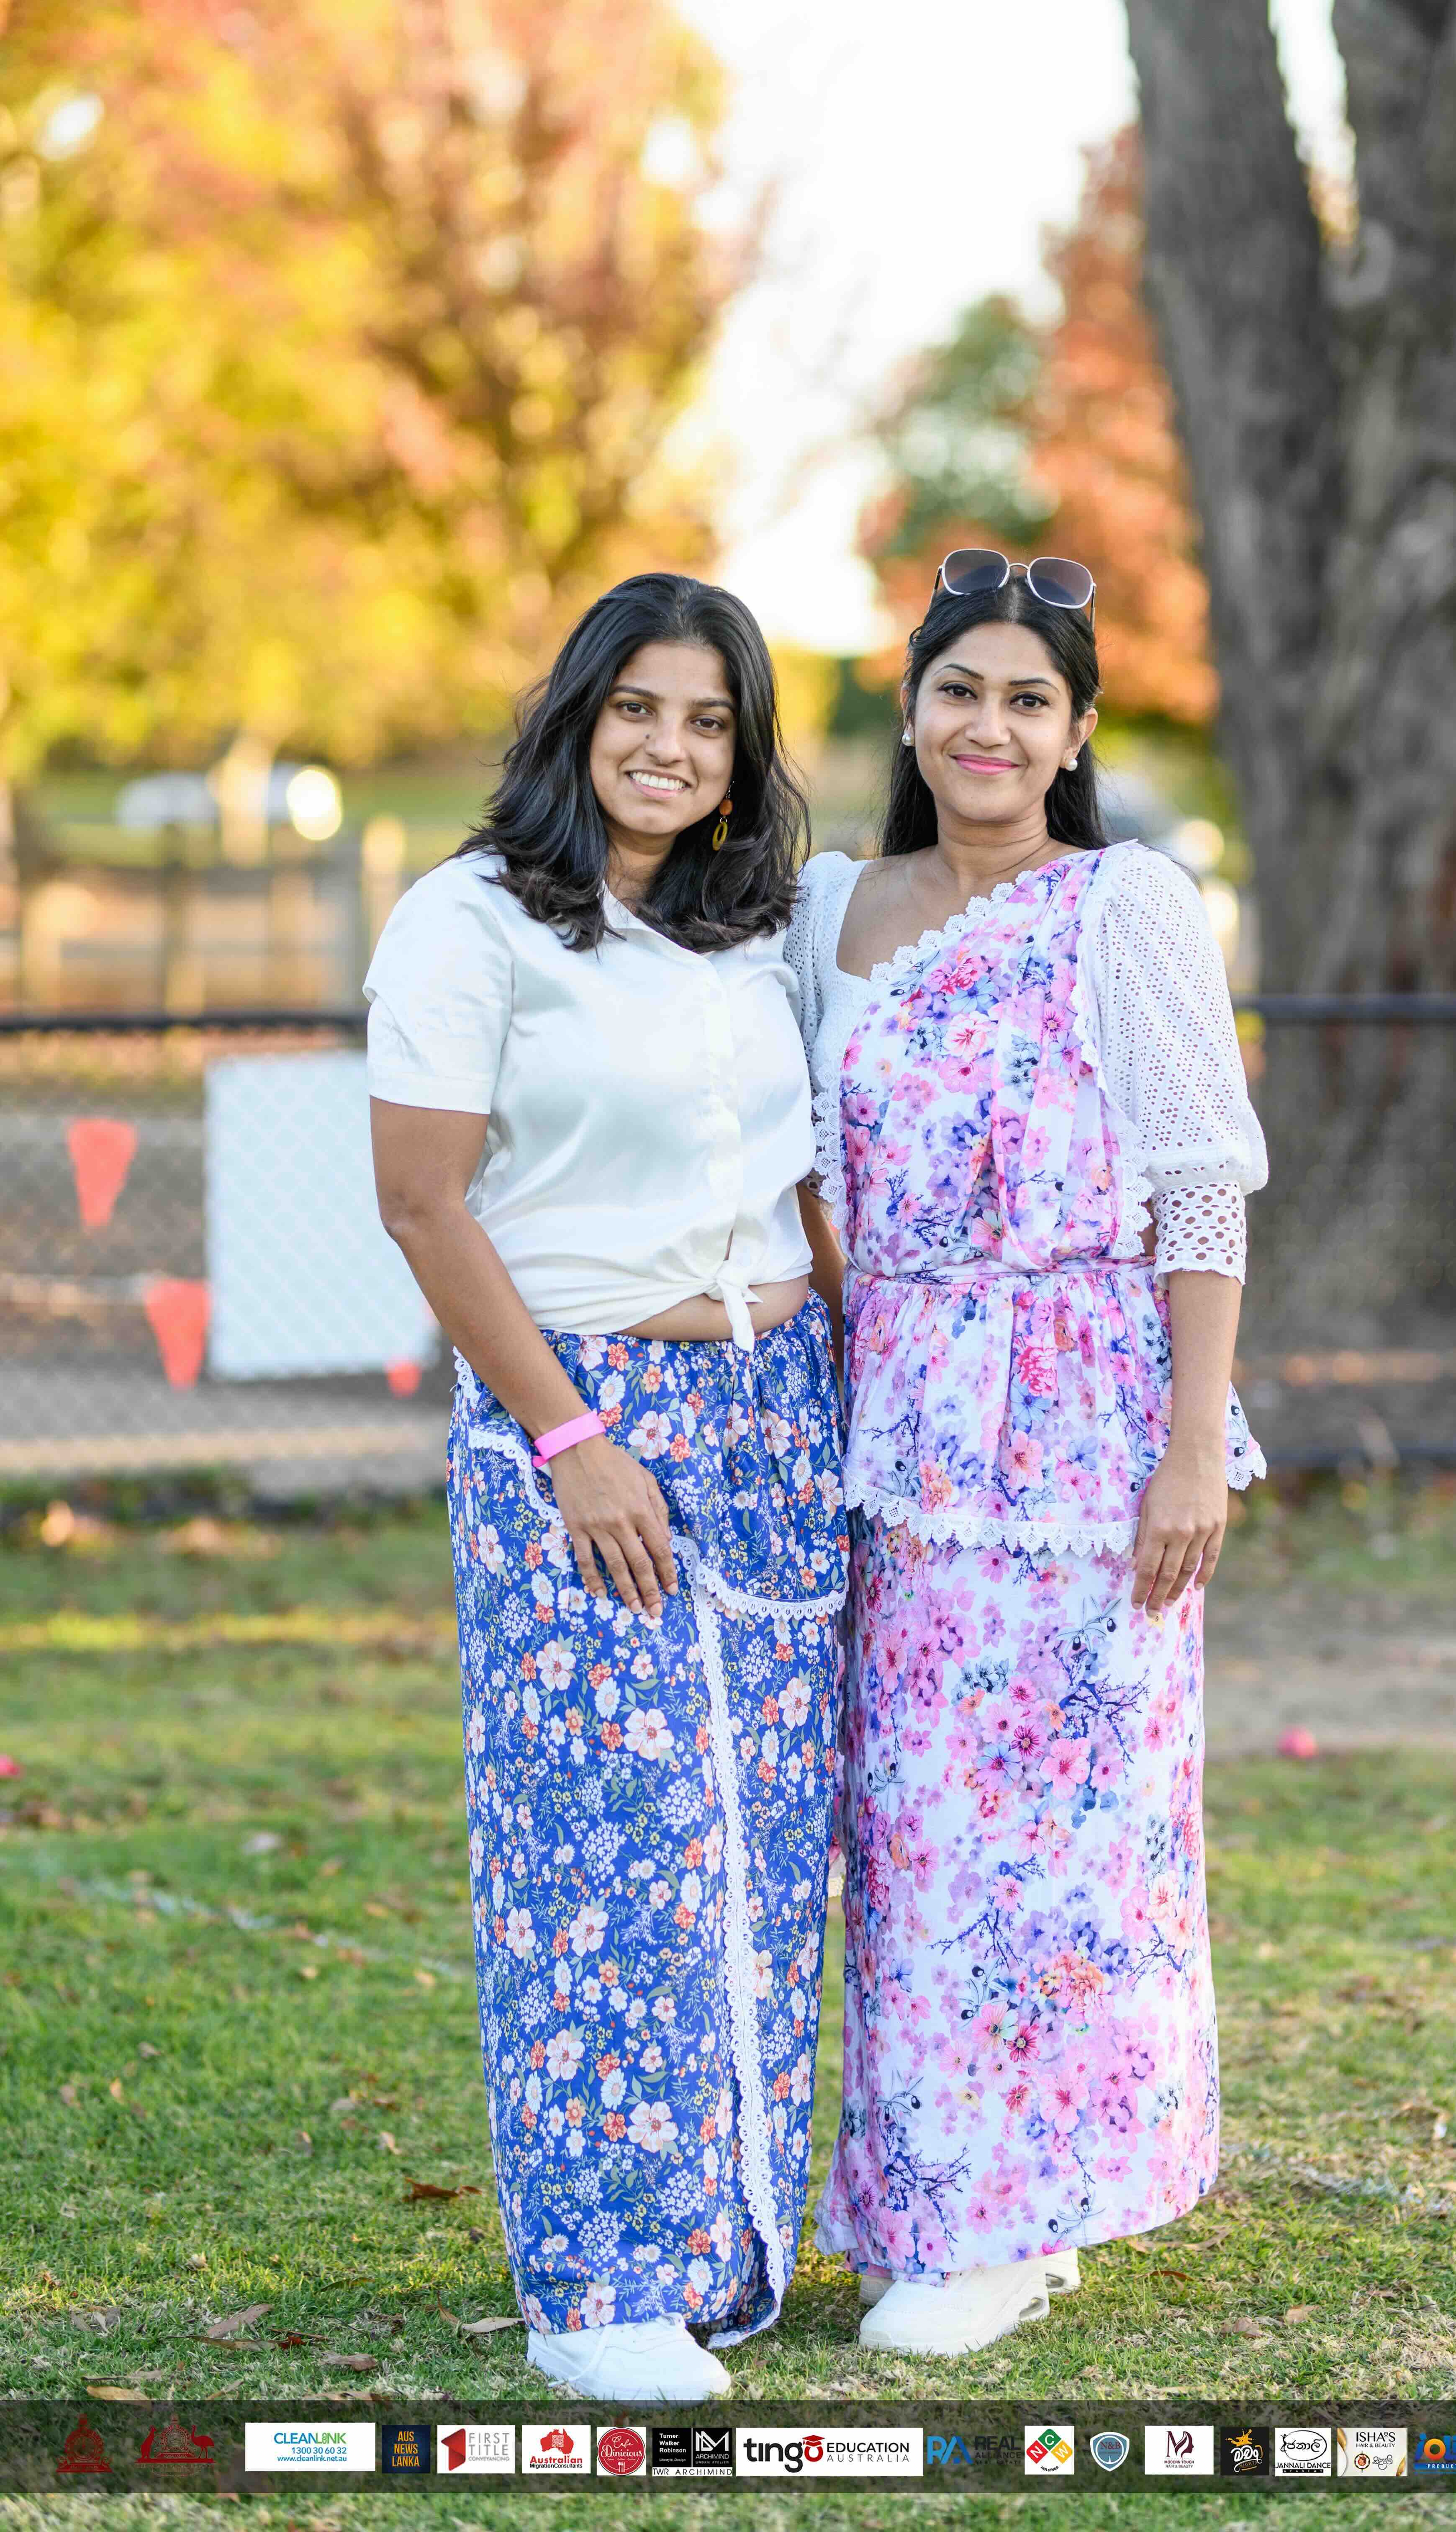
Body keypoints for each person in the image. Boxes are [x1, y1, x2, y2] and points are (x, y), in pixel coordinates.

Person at [365, 574, 847, 2404]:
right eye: (636, 709)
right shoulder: (470, 924)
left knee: (760, 1847)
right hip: (586, 1416)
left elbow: (810, 1186)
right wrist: (574, 1444)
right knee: (606, 1852)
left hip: (778, 1406)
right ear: (575, 717)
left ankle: (727, 2252)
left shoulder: (756, 927)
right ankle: (598, 2284)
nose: (668, 746)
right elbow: (425, 1205)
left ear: (742, 755)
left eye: (708, 720)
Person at [785, 551, 1268, 2359]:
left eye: (1028, 701)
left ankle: (1021, 2213)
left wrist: (1187, 1451)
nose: (989, 727)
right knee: (914, 1825)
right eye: (960, 690)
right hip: (899, 1417)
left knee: (1071, 1831)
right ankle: (957, 2198)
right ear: (909, 708)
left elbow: (1198, 1182)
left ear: (1072, 736)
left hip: (1084, 1414)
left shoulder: (1120, 905)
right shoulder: (828, 907)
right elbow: (798, 1161)